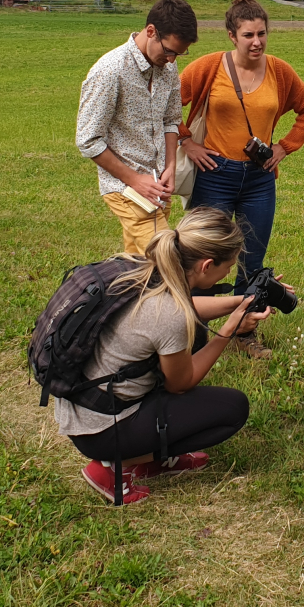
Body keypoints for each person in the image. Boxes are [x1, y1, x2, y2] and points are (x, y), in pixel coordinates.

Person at [55, 207, 274, 505]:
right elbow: (181, 383)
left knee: (192, 336)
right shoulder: (168, 315)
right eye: (230, 266)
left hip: (82, 405)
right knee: (232, 409)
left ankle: (147, 455)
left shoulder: (138, 266)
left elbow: (182, 307)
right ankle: (115, 467)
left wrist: (241, 302)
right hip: (101, 429)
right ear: (207, 265)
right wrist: (229, 330)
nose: (230, 272)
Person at [177, 0, 304, 358]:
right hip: (215, 173)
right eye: (248, 35)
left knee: (252, 258)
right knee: (202, 255)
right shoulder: (209, 67)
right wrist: (186, 141)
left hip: (259, 179)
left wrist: (283, 147)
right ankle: (191, 336)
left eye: (262, 34)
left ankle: (244, 334)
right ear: (231, 35)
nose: (256, 42)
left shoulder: (279, 71)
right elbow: (166, 104)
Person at [77, 0, 199, 254]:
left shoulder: (167, 69)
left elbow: (170, 120)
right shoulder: (110, 70)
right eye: (169, 51)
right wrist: (135, 180)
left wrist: (170, 167)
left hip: (157, 187)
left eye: (179, 53)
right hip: (125, 189)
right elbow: (88, 140)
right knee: (169, 261)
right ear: (151, 31)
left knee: (139, 269)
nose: (173, 60)